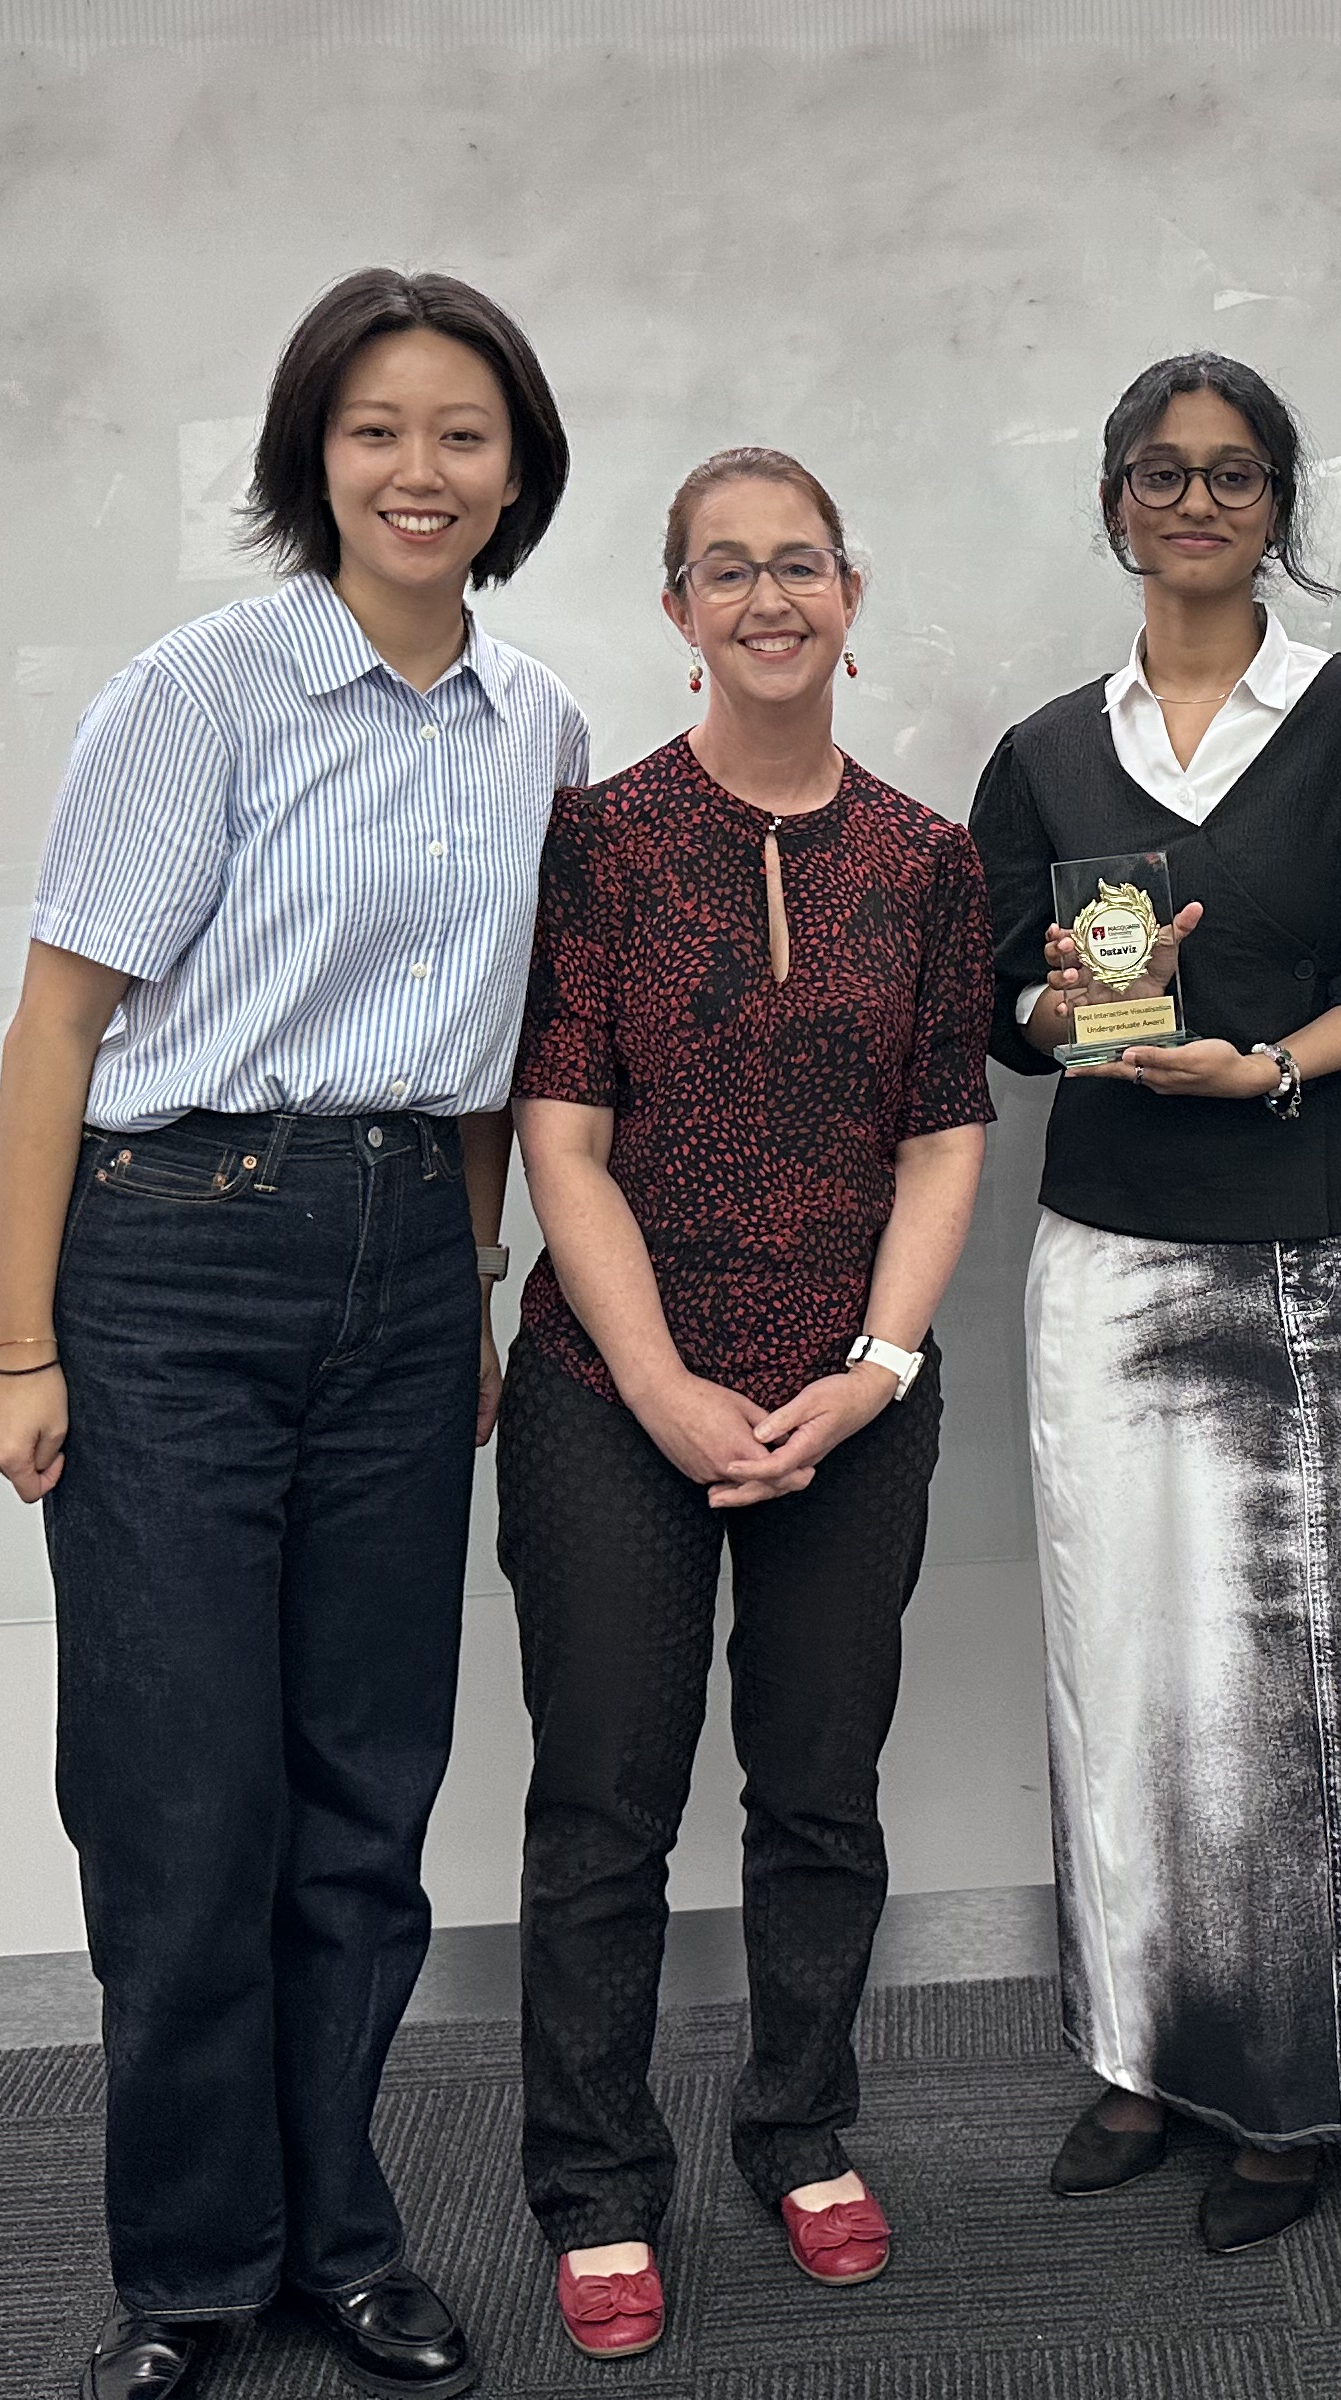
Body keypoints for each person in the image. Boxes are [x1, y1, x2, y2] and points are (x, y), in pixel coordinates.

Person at [0, 268, 588, 2400]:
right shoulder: (201, 692)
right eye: (375, 429)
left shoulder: (542, 728)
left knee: (364, 1790)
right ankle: (190, 2268)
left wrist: (475, 1294)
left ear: (517, 473)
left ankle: (341, 2234)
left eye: (463, 434)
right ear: (311, 456)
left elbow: (495, 1063)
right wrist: (22, 1345)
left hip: (410, 1268)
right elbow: (56, 1029)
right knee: (178, 1800)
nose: (420, 470)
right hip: (177, 1265)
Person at [967, 354, 1341, 2256]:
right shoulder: (1044, 752)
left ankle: (1298, 2085)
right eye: (1164, 473)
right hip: (1108, 1263)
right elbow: (999, 1012)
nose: (1197, 503)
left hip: (1317, 1259)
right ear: (1115, 499)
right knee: (1122, 1670)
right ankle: (1139, 2053)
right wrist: (1063, 1005)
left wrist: (1264, 1062)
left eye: (1236, 474)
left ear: (1281, 505)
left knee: (1310, 1693)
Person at [502, 447, 995, 2362]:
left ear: (850, 598)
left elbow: (944, 1136)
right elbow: (563, 1134)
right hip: (610, 1393)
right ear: (676, 609)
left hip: (850, 1400)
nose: (768, 598)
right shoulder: (600, 841)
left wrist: (873, 1372)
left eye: (801, 565)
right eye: (728, 569)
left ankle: (800, 2129)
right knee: (603, 1805)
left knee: (818, 1791)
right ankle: (595, 2184)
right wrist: (658, 1384)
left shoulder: (927, 858)